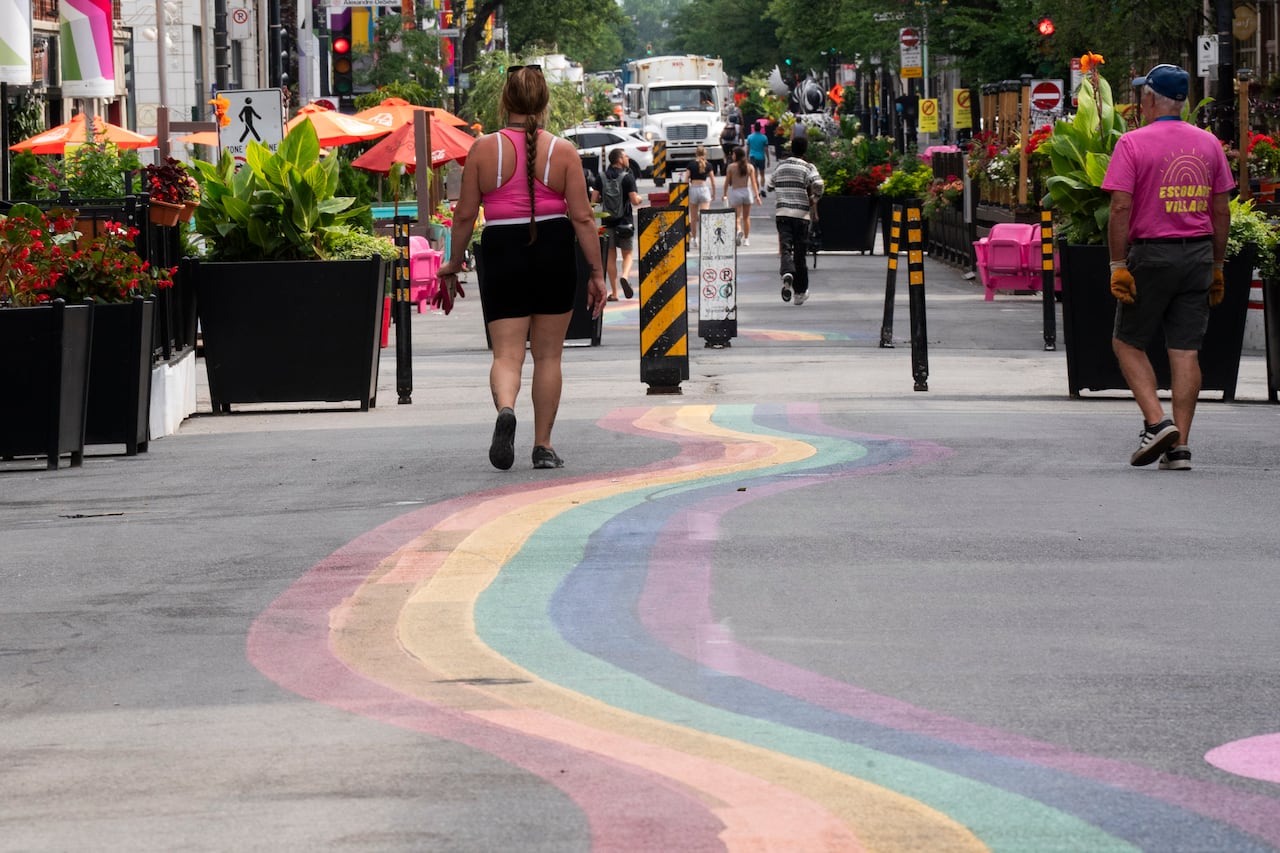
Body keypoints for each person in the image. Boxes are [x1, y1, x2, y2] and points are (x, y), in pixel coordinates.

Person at [437, 65, 607, 471]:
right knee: (549, 357)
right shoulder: (563, 151)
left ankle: (506, 409)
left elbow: (464, 216)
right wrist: (598, 273)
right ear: (545, 102)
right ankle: (543, 446)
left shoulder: (483, 149)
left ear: (505, 102)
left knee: (507, 354)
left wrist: (454, 263)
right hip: (553, 248)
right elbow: (583, 219)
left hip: (502, 249)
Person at [1102, 63, 1233, 470]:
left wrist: (1118, 264)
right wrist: (1217, 266)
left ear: (1149, 99)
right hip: (1197, 255)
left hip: (1152, 255)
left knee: (1128, 342)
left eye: (1142, 94)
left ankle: (1157, 424)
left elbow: (1120, 207)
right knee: (1185, 351)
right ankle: (1180, 448)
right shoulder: (1208, 144)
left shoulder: (1132, 143)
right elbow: (1221, 210)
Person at [766, 136, 823, 306]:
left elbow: (769, 185)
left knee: (785, 247)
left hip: (783, 213)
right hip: (801, 215)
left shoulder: (781, 165)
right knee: (800, 254)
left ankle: (787, 273)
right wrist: (814, 198)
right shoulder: (807, 167)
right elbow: (819, 183)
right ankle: (800, 292)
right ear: (804, 150)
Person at [601, 148, 643, 301]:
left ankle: (614, 293)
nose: (627, 159)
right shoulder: (627, 177)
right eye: (625, 156)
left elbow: (594, 199)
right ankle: (625, 276)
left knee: (610, 257)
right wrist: (640, 199)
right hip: (625, 223)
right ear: (619, 160)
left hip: (607, 221)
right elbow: (633, 200)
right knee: (628, 254)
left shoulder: (602, 177)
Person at [722, 145, 760, 246]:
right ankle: (747, 239)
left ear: (737, 155)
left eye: (733, 154)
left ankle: (738, 231)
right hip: (747, 192)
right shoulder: (750, 167)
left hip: (736, 192)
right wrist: (757, 196)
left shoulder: (731, 167)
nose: (732, 156)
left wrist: (725, 193)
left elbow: (726, 182)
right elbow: (754, 182)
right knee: (746, 217)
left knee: (737, 217)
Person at [686, 145, 716, 247]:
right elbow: (713, 181)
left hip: (693, 189)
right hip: (704, 189)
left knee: (693, 218)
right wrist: (714, 193)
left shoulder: (691, 165)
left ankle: (695, 239)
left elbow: (686, 179)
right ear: (705, 154)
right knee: (705, 216)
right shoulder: (709, 165)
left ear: (696, 153)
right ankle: (705, 238)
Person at [746, 121, 770, 198]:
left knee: (755, 175)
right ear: (760, 128)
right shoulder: (764, 137)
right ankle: (762, 189)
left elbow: (748, 148)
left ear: (754, 128)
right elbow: (766, 149)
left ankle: (757, 191)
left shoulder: (750, 137)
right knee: (762, 174)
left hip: (752, 157)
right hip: (761, 157)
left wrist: (746, 157)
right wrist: (768, 159)